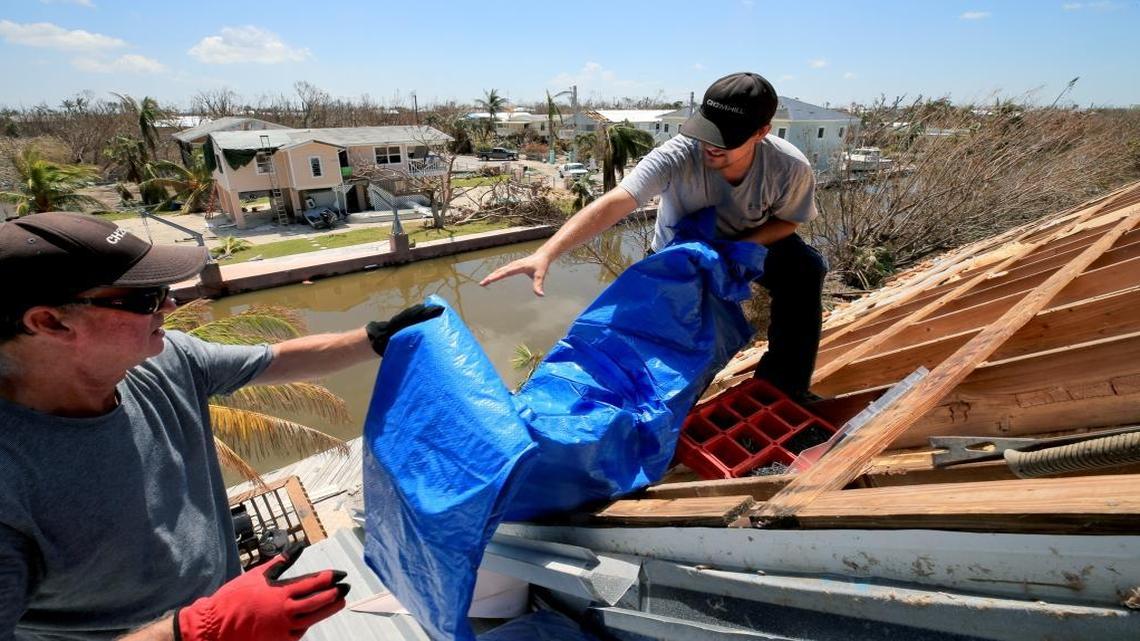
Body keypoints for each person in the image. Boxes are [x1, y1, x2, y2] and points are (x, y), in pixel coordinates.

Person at [0, 212, 442, 641]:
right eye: (144, 297)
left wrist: (379, 337)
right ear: (49, 322)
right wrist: (195, 630)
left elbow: (278, 359)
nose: (170, 304)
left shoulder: (165, 360)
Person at [480, 72, 827, 401]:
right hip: (679, 252)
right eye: (708, 131)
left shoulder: (789, 168)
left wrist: (743, 247)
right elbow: (618, 201)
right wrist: (547, 252)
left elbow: (787, 222)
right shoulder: (678, 154)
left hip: (747, 242)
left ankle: (783, 387)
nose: (712, 146)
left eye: (727, 138)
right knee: (669, 336)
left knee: (806, 268)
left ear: (762, 132)